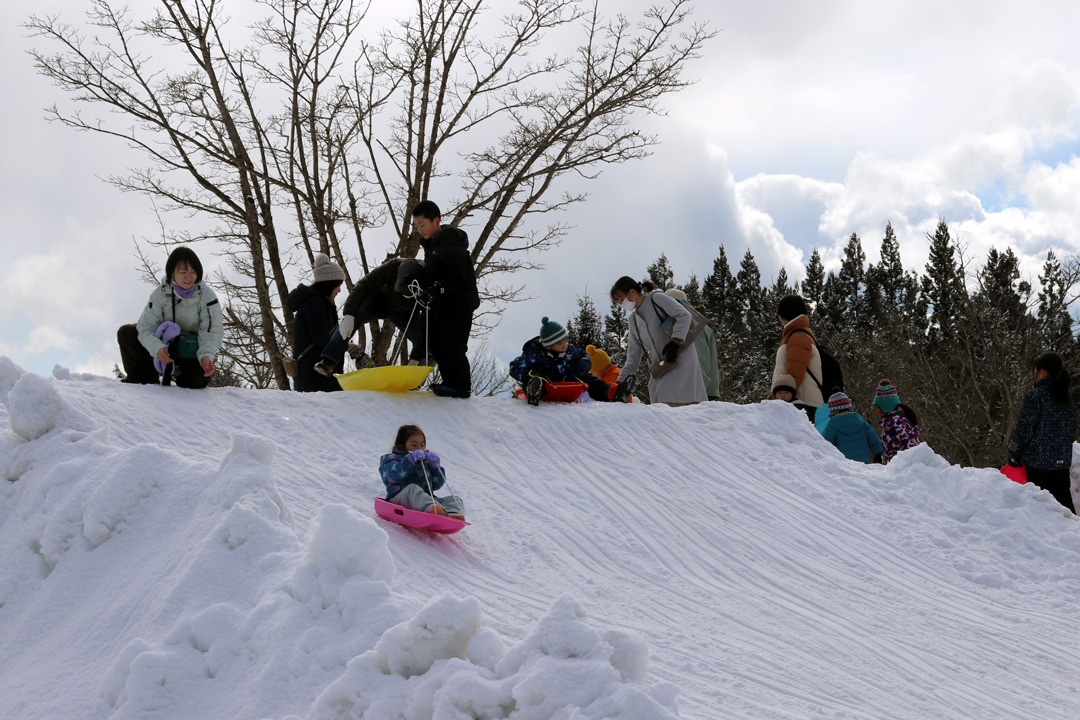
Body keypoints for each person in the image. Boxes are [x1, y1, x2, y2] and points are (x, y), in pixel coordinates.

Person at [118, 246, 223, 388]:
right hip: (164, 343)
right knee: (127, 332)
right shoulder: (160, 293)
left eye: (193, 272)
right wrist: (157, 348)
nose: (189, 277)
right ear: (172, 273)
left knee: (195, 382)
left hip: (190, 348)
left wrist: (206, 356)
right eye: (183, 272)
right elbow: (146, 327)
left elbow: (211, 332)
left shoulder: (207, 296)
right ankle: (142, 378)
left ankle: (183, 385)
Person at [411, 200, 480, 399]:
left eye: (422, 225)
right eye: (417, 227)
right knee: (436, 344)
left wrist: (435, 288)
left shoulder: (451, 243)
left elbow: (455, 278)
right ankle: (451, 382)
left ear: (436, 221)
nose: (420, 230)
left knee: (452, 344)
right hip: (443, 305)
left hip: (459, 304)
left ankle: (460, 385)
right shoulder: (432, 246)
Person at [314, 258, 428, 376]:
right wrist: (349, 315)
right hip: (377, 302)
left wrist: (416, 358)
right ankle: (328, 361)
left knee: (426, 340)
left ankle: (413, 376)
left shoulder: (430, 284)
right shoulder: (391, 268)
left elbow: (428, 326)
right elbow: (363, 287)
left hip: (407, 312)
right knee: (349, 324)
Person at [611, 277, 707, 406]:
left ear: (632, 292)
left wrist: (676, 340)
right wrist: (619, 382)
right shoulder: (633, 320)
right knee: (661, 404)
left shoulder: (656, 298)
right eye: (618, 302)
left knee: (670, 400)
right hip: (661, 367)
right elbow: (633, 358)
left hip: (680, 358)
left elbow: (684, 315)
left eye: (621, 299)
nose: (621, 304)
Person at [1007, 351, 1078, 513]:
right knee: (1065, 509)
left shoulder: (1035, 396)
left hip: (1037, 464)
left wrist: (1013, 453)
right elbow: (1072, 430)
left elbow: (1024, 429)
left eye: (1035, 370)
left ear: (1042, 371)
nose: (1034, 374)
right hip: (1061, 462)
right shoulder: (1068, 398)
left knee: (1041, 511)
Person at [509, 317, 635, 405]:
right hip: (545, 384)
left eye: (565, 340)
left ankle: (613, 392)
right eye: (559, 343)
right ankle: (534, 391)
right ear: (548, 346)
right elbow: (514, 367)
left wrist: (576, 370)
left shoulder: (570, 350)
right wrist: (526, 376)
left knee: (587, 379)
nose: (564, 345)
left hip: (565, 381)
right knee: (532, 375)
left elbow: (584, 357)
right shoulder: (535, 353)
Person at [286, 253, 347, 393]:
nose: (339, 290)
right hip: (316, 377)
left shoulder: (317, 302)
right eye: (338, 285)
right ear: (328, 284)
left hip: (316, 376)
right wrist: (347, 346)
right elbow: (321, 338)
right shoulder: (315, 303)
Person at [379, 424, 465, 520]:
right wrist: (409, 461)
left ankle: (450, 514)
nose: (419, 448)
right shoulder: (391, 459)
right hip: (400, 499)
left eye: (422, 445)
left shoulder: (424, 462)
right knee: (412, 488)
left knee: (455, 499)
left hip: (424, 501)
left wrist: (435, 467)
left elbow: (436, 484)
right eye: (414, 445)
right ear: (401, 445)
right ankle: (432, 510)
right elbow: (393, 476)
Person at [769, 294, 824, 422]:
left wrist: (776, 396)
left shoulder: (797, 337)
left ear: (785, 313)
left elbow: (794, 372)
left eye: (778, 312)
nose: (778, 316)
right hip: (798, 399)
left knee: (794, 441)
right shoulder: (801, 333)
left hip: (797, 402)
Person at [665, 289, 720, 400]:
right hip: (702, 388)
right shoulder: (705, 328)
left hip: (675, 387)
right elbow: (713, 363)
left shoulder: (667, 327)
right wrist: (712, 391)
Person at [822, 389, 883, 464]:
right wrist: (878, 454)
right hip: (864, 464)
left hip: (846, 467)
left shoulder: (832, 426)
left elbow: (824, 446)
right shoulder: (862, 422)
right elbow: (874, 440)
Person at [872, 379, 921, 464]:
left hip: (905, 469)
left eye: (877, 407)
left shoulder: (897, 422)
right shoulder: (892, 422)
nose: (876, 411)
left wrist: (910, 468)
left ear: (884, 407)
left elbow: (912, 448)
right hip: (898, 468)